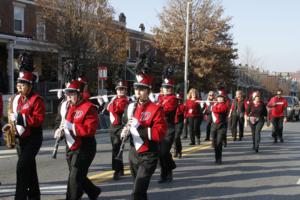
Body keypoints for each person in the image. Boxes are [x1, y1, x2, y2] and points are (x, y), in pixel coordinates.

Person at [120, 71, 167, 200]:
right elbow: (123, 124)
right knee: (139, 189)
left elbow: (160, 134)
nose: (138, 92)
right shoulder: (130, 107)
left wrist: (140, 127)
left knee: (137, 191)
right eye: (136, 89)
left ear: (148, 91)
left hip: (149, 153)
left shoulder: (156, 109)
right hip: (134, 152)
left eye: (142, 89)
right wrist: (124, 131)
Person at [54, 79, 101, 200]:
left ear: (79, 94)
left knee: (74, 177)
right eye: (67, 94)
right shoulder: (67, 107)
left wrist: (72, 127)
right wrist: (59, 131)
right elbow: (61, 123)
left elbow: (90, 130)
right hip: (71, 146)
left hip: (85, 147)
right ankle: (93, 191)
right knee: (77, 174)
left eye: (72, 94)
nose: (68, 97)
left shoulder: (89, 107)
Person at [11, 69, 45, 199]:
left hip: (33, 138)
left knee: (21, 167)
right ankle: (34, 196)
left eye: (23, 84)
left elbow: (38, 120)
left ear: (30, 86)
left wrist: (19, 118)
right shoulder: (17, 100)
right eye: (18, 83)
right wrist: (11, 125)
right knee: (30, 168)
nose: (19, 86)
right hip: (21, 139)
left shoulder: (37, 100)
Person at [104, 79, 129, 180]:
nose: (120, 91)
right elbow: (105, 111)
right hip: (113, 127)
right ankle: (120, 169)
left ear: (126, 90)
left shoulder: (126, 101)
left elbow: (116, 109)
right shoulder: (114, 99)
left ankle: (117, 170)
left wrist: (108, 103)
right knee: (116, 148)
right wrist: (107, 103)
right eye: (119, 89)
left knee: (116, 148)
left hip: (121, 127)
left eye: (122, 89)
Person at [157, 69, 178, 183]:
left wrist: (156, 106)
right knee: (160, 152)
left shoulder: (173, 99)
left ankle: (166, 172)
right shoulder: (160, 99)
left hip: (169, 128)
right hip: (159, 127)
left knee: (163, 152)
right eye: (165, 87)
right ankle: (167, 171)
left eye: (169, 87)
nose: (167, 89)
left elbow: (166, 110)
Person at [211, 91, 228, 164]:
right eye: (218, 98)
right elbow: (208, 111)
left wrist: (213, 107)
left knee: (219, 143)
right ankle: (216, 157)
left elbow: (220, 110)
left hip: (221, 126)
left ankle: (219, 158)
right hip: (214, 126)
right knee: (215, 144)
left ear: (223, 99)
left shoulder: (225, 105)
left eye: (221, 98)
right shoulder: (215, 105)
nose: (220, 99)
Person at [173, 93, 185, 158]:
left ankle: (177, 151)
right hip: (173, 123)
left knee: (176, 137)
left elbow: (182, 111)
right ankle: (178, 151)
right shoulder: (172, 106)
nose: (178, 101)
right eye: (177, 100)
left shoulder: (182, 106)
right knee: (175, 138)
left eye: (179, 100)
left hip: (179, 123)